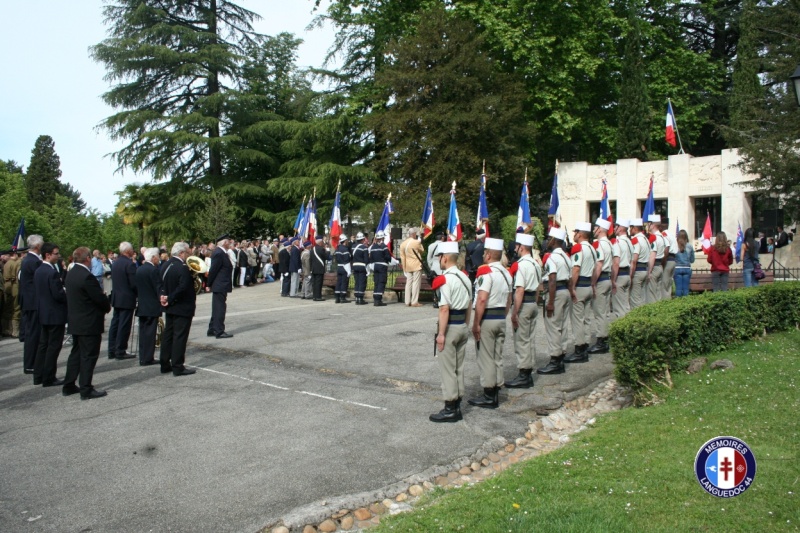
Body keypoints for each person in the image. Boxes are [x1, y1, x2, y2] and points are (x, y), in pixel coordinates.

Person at [428, 241, 472, 423]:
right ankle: (457, 404)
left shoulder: (446, 279)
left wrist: (441, 334)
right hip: (462, 325)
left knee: (447, 369)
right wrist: (466, 325)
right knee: (458, 368)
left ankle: (450, 408)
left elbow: (444, 309)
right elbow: (469, 305)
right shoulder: (465, 278)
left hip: (451, 327)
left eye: (439, 257)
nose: (439, 260)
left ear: (445, 258)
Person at [468, 237, 512, 409]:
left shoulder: (486, 272)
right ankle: (496, 389)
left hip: (488, 318)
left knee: (486, 357)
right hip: (501, 317)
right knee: (497, 356)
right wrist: (503, 315)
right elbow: (509, 300)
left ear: (487, 255)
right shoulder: (506, 273)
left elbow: (481, 299)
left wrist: (476, 323)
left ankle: (488, 394)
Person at [62, 246, 112, 400]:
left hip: (76, 320)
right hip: (89, 322)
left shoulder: (71, 274)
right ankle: (86, 388)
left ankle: (69, 384)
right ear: (88, 258)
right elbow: (98, 298)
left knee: (76, 354)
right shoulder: (86, 276)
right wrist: (106, 302)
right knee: (88, 356)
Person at [506, 233, 541, 389]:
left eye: (517, 246)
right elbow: (539, 287)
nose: (515, 248)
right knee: (529, 339)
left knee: (521, 340)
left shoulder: (521, 265)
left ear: (522, 247)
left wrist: (514, 313)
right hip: (533, 302)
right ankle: (528, 372)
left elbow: (519, 290)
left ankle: (524, 375)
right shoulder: (535, 264)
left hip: (524, 305)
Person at [537, 227, 573, 375]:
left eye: (549, 238)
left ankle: (555, 360)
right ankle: (561, 354)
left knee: (553, 326)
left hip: (556, 292)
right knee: (563, 326)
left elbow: (552, 280)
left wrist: (550, 302)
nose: (547, 241)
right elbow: (570, 279)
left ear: (554, 240)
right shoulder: (566, 256)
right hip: (564, 291)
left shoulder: (552, 258)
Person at [32, 243, 67, 387]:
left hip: (44, 312)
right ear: (48, 255)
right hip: (54, 314)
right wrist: (65, 293)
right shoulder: (51, 272)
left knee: (43, 345)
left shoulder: (39, 270)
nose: (58, 256)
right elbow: (58, 295)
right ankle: (49, 376)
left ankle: (39, 374)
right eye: (56, 253)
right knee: (53, 346)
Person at [159, 242, 197, 376]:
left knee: (168, 335)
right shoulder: (182, 267)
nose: (189, 254)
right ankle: (178, 365)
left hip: (170, 306)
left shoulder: (165, 264)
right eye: (187, 252)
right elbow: (183, 287)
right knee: (180, 336)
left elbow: (160, 283)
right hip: (182, 306)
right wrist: (169, 297)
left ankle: (164, 363)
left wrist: (163, 296)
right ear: (181, 253)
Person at [565, 222, 595, 364]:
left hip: (580, 286)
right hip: (588, 284)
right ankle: (586, 344)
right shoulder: (592, 248)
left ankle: (579, 349)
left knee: (577, 320)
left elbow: (576, 269)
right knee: (586, 319)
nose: (574, 235)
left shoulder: (579, 248)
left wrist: (572, 288)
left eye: (576, 232)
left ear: (581, 234)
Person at [108, 241, 138, 360]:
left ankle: (112, 349)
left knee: (115, 324)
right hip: (126, 298)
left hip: (117, 297)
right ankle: (120, 350)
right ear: (128, 251)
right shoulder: (129, 264)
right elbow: (133, 283)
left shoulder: (115, 263)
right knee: (123, 325)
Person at [588, 218, 613, 355]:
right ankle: (604, 338)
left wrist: (592, 282)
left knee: (599, 313)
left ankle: (601, 341)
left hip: (601, 279)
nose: (593, 230)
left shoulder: (599, 244)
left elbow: (599, 265)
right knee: (604, 312)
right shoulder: (609, 243)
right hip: (607, 278)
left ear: (600, 229)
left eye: (595, 227)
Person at [20, 235, 44, 375]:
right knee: (33, 334)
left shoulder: (29, 260)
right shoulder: (33, 261)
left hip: (30, 301)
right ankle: (31, 364)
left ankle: (32, 362)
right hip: (32, 302)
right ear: (37, 246)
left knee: (33, 333)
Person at [135, 247, 162, 365]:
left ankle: (143, 356)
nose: (159, 259)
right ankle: (148, 357)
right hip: (151, 305)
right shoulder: (153, 270)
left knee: (143, 333)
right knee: (150, 333)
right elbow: (158, 287)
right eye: (157, 257)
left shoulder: (139, 269)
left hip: (142, 305)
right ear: (153, 257)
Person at [207, 235, 233, 339]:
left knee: (217, 307)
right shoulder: (219, 253)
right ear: (224, 243)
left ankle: (212, 328)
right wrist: (209, 284)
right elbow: (213, 270)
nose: (230, 243)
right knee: (220, 308)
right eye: (228, 242)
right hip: (220, 285)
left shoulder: (221, 252)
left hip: (221, 284)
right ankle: (219, 330)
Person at [611, 219, 633, 319]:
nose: (614, 228)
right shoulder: (629, 242)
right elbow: (632, 261)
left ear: (620, 228)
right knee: (626, 306)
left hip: (619, 275)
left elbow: (616, 263)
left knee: (618, 308)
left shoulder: (618, 242)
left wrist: (613, 280)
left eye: (616, 226)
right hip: (627, 274)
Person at [399, 228, 425, 307]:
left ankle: (407, 301)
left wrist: (404, 267)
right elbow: (422, 250)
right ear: (413, 234)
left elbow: (402, 257)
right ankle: (414, 301)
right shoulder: (416, 242)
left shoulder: (403, 244)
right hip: (416, 264)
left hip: (408, 265)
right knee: (416, 283)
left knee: (408, 283)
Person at [645, 214, 666, 304]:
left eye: (649, 224)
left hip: (654, 267)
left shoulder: (654, 238)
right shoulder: (662, 237)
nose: (647, 226)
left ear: (652, 225)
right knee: (658, 294)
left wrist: (649, 271)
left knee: (651, 295)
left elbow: (652, 255)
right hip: (660, 266)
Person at [629, 219, 650, 309]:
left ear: (634, 228)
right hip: (644, 269)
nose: (629, 230)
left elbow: (634, 259)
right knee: (642, 298)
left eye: (630, 228)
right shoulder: (646, 239)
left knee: (635, 299)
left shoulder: (636, 240)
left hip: (637, 271)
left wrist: (631, 275)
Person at [368, 231, 391, 306]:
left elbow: (371, 258)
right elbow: (388, 257)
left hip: (375, 266)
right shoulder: (384, 246)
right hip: (382, 266)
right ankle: (378, 300)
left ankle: (375, 299)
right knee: (381, 282)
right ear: (382, 238)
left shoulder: (373, 247)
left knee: (377, 282)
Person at [2, 250, 21, 337]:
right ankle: (15, 331)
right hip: (14, 285)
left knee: (8, 308)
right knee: (16, 308)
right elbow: (17, 276)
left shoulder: (6, 263)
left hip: (6, 285)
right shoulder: (16, 263)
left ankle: (6, 329)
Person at [673, 229, 695, 297]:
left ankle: (678, 304)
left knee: (678, 289)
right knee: (686, 289)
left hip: (677, 268)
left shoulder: (675, 246)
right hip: (687, 268)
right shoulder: (689, 246)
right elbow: (692, 260)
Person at [427, 233, 446, 308]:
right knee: (442, 285)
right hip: (442, 267)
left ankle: (435, 300)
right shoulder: (444, 245)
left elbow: (429, 258)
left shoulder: (431, 245)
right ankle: (440, 300)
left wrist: (431, 267)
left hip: (434, 267)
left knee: (435, 285)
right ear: (442, 238)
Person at [661, 219, 678, 300]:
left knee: (664, 284)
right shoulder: (671, 234)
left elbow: (666, 250)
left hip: (667, 260)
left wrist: (663, 263)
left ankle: (665, 302)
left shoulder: (664, 235)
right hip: (673, 259)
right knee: (669, 284)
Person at [351, 233, 370, 305]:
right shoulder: (364, 248)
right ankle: (360, 298)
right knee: (362, 282)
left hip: (355, 266)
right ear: (362, 239)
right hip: (362, 266)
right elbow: (366, 260)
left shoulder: (353, 247)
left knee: (357, 282)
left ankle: (356, 297)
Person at [310, 235, 330, 301]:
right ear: (320, 242)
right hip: (319, 268)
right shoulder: (321, 249)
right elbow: (327, 257)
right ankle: (318, 296)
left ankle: (314, 296)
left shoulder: (312, 249)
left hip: (313, 268)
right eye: (322, 242)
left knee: (315, 283)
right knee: (319, 283)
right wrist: (327, 250)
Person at [334, 234, 351, 303]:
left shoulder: (337, 249)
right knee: (344, 282)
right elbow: (347, 259)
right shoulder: (345, 249)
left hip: (339, 267)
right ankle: (343, 297)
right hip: (345, 267)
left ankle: (337, 297)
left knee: (339, 282)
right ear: (345, 241)